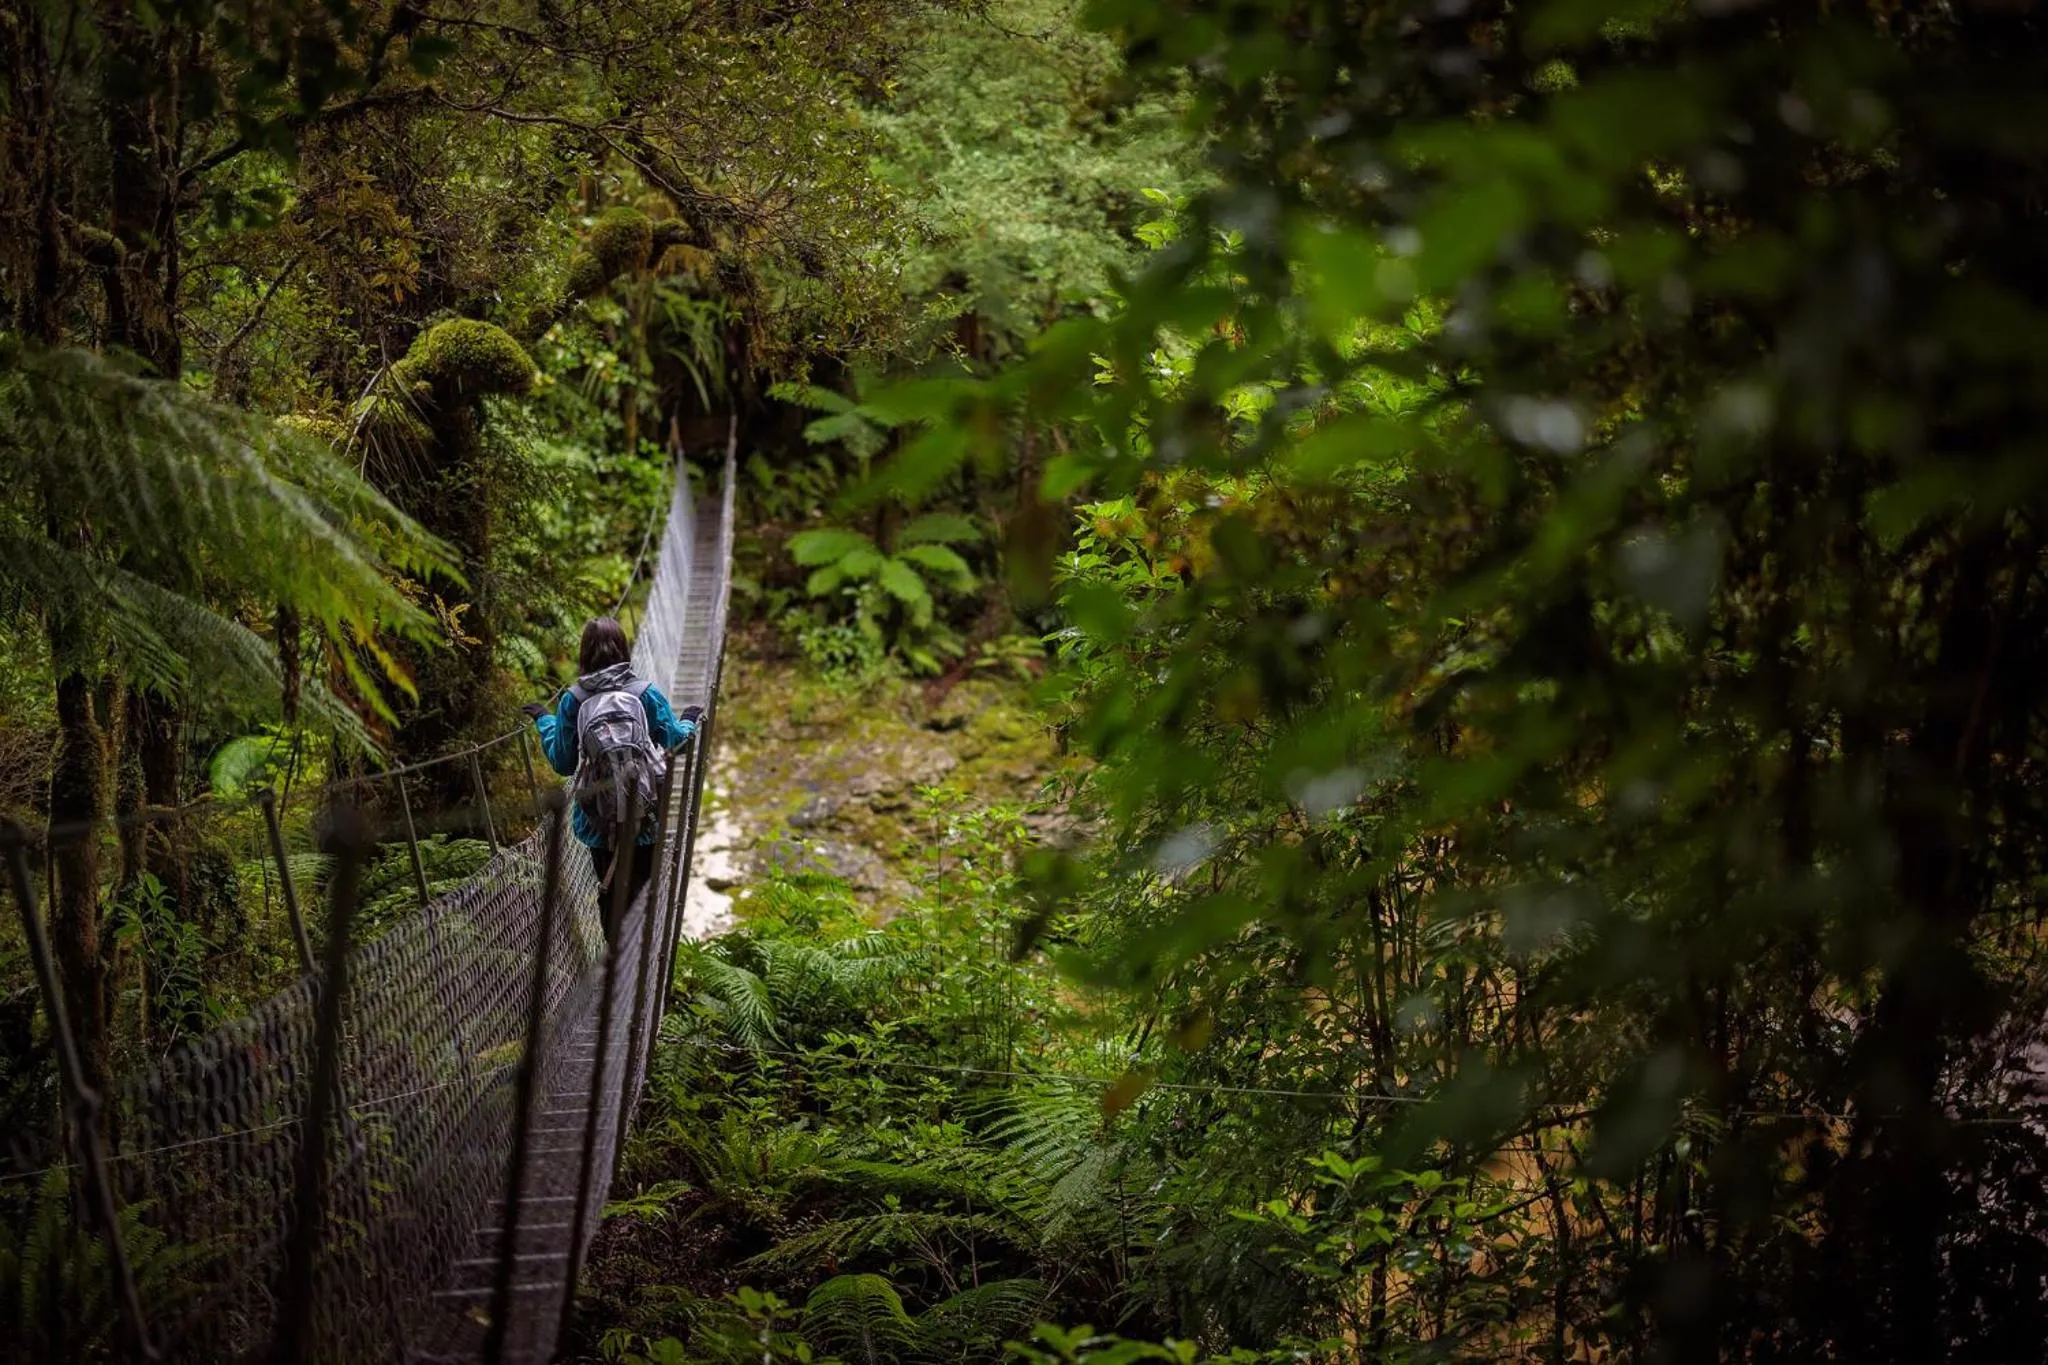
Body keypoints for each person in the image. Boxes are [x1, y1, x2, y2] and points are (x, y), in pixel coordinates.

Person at [523, 617, 703, 921]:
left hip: (597, 821)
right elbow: (676, 743)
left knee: (612, 895)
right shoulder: (644, 693)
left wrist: (544, 720)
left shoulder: (573, 701)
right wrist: (688, 719)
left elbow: (563, 763)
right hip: (646, 813)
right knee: (643, 899)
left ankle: (615, 956)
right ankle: (641, 953)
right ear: (622, 648)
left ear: (584, 653)